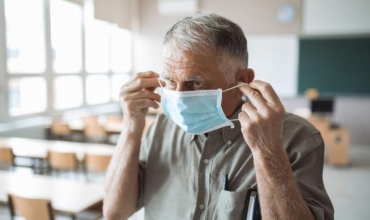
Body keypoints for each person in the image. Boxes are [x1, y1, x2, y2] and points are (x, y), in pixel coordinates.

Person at [103, 12, 334, 220]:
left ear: (242, 80)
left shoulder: (296, 137)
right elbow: (115, 212)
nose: (180, 97)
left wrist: (269, 153)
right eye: (171, 81)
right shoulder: (160, 129)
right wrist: (131, 128)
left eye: (196, 82)